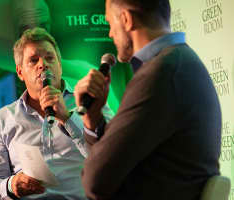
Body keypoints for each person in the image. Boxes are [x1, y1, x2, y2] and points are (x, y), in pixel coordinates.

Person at [74, 0, 222, 199]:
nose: (110, 34)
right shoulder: (179, 62)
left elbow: (95, 182)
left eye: (110, 23)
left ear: (126, 20)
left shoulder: (159, 74)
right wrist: (93, 120)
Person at [0, 27, 112, 200]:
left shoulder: (91, 101)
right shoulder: (2, 119)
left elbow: (113, 156)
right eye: (33, 60)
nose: (42, 64)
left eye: (49, 58)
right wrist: (12, 185)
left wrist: (67, 118)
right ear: (20, 72)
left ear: (59, 64)